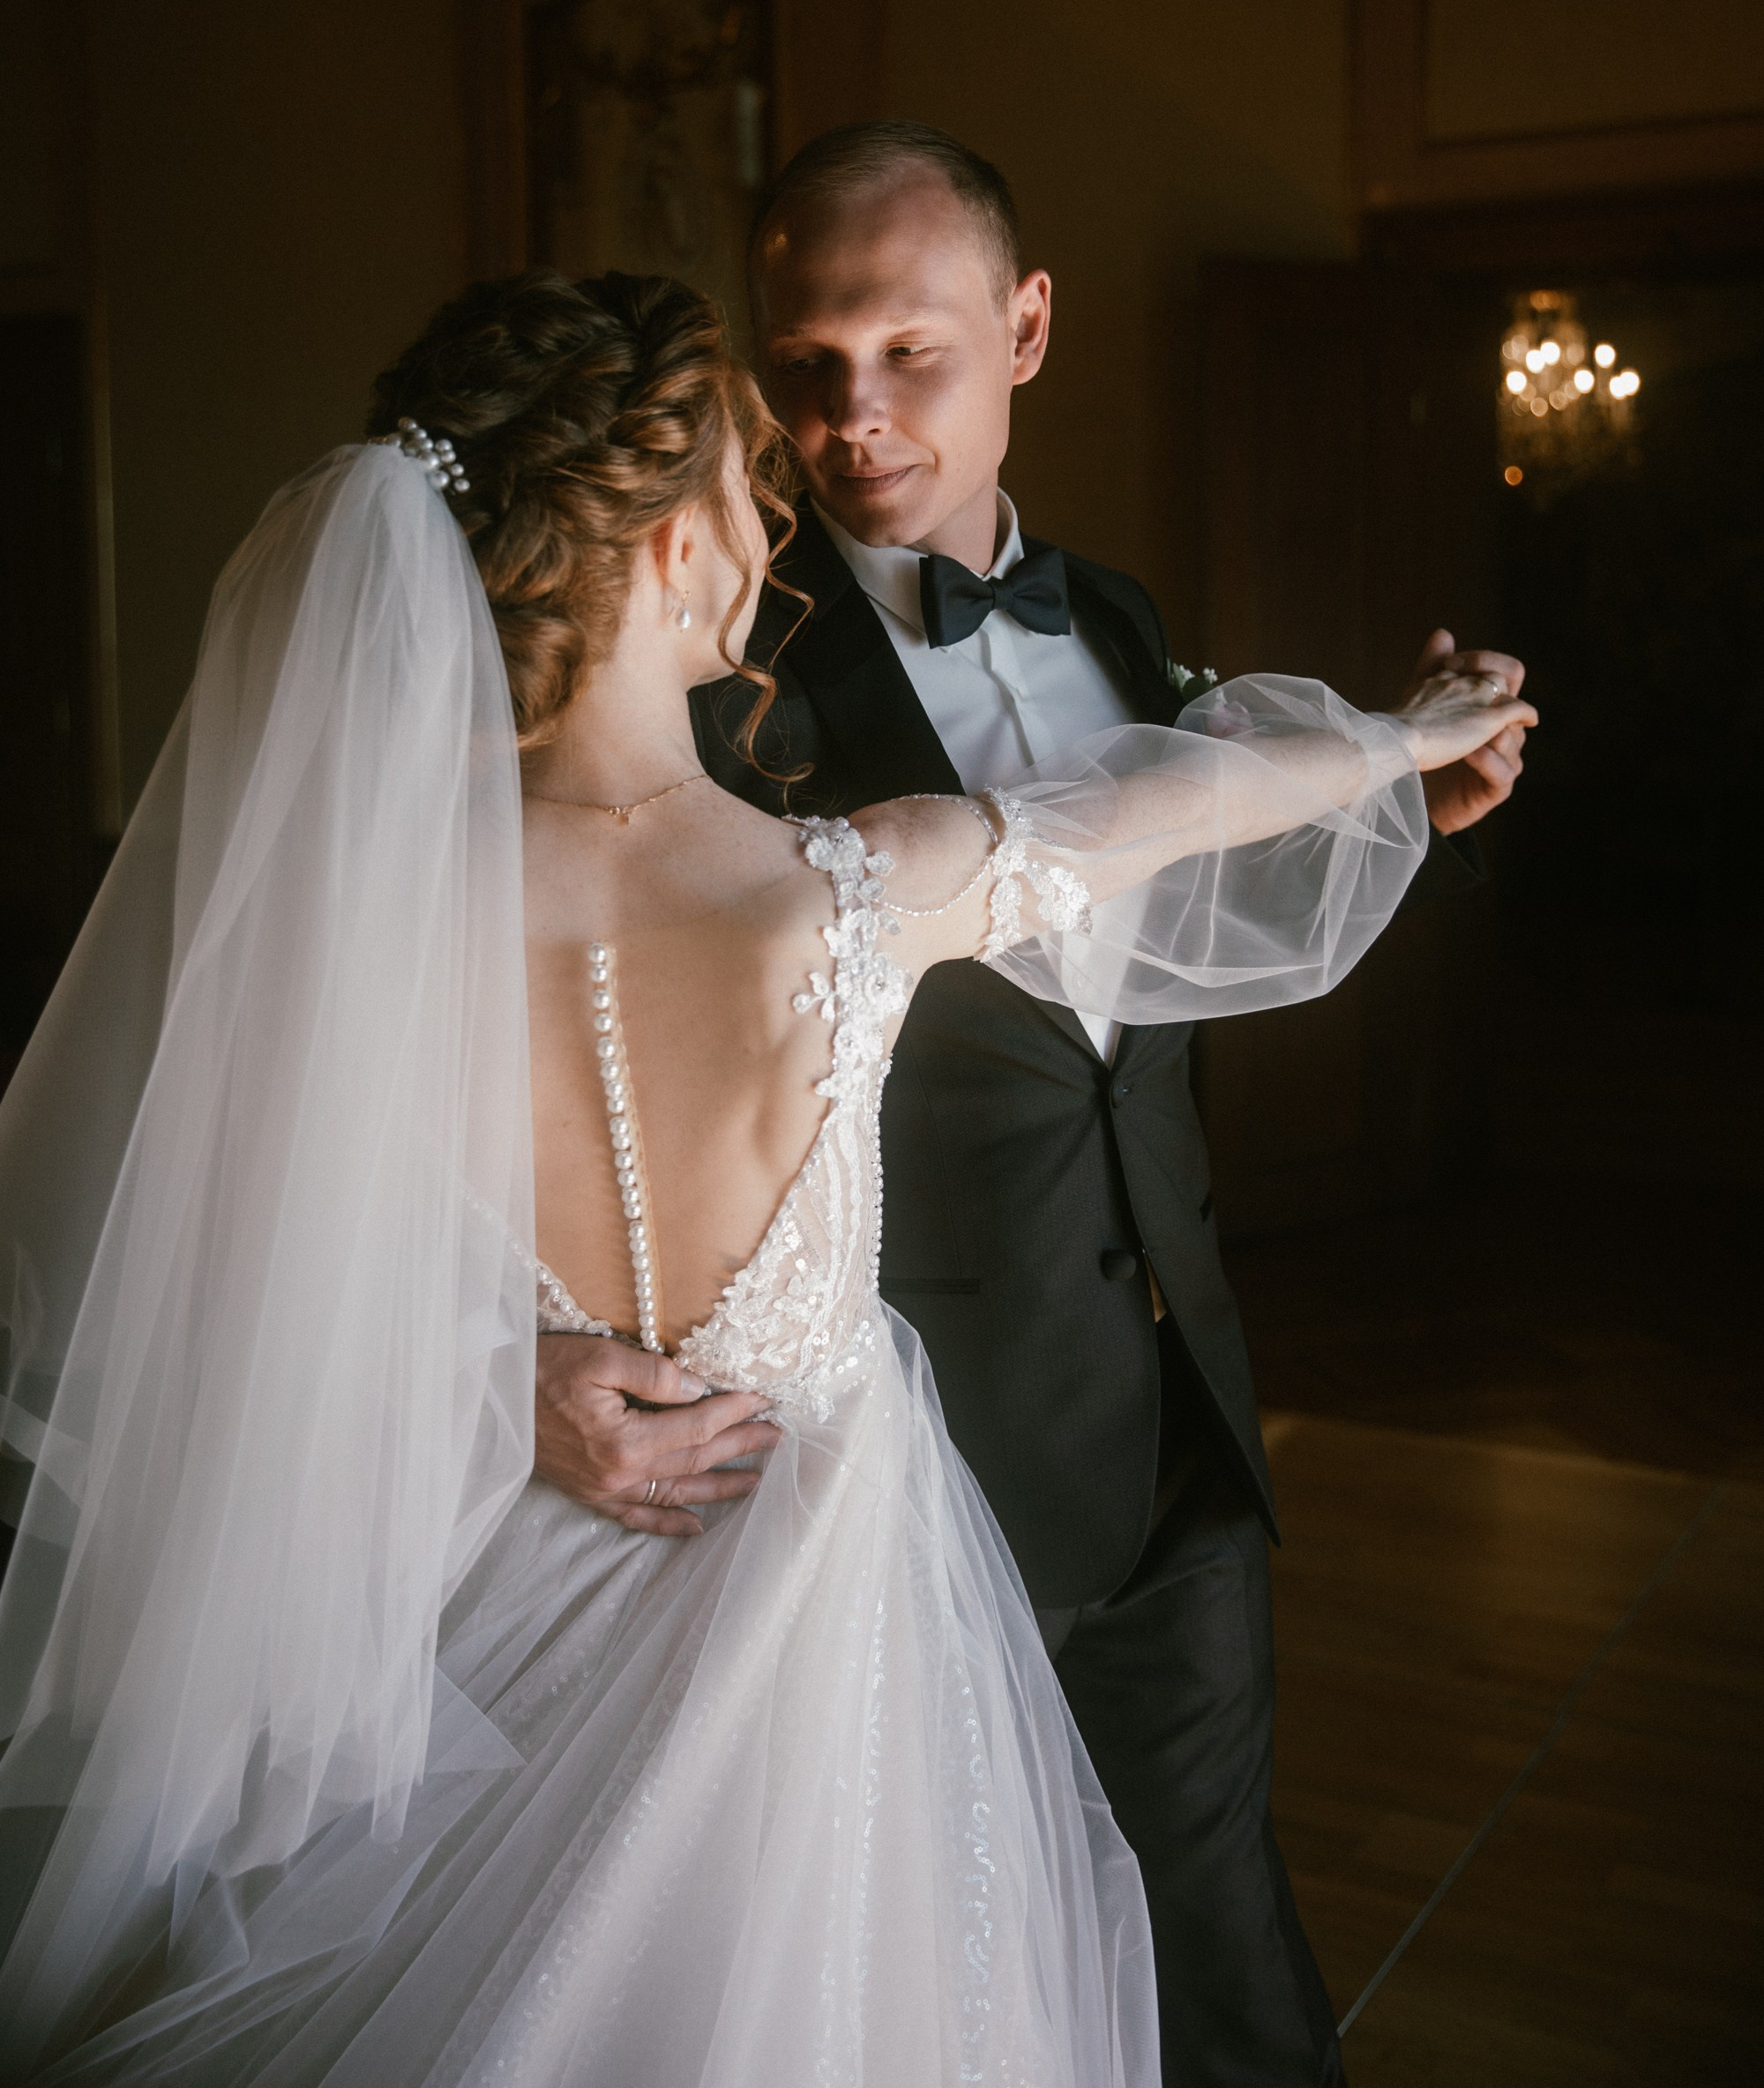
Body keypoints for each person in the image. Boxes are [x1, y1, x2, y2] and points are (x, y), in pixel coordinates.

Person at [0, 268, 1531, 2084]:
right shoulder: (856, 890)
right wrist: (1397, 743)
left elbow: (181, 1293)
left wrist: (502, 1384)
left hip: (475, 1623)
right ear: (655, 550)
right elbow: (1165, 804)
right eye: (742, 484)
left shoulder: (342, 929)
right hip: (816, 1624)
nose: (772, 529)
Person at [657, 120, 1519, 2087]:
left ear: (1026, 325)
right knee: (937, 1966)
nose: (849, 413)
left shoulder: (1121, 622)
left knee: (1217, 1925)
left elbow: (1177, 925)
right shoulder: (714, 683)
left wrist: (1416, 799)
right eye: (805, 360)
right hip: (893, 1452)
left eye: (907, 349)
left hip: (1174, 1418)